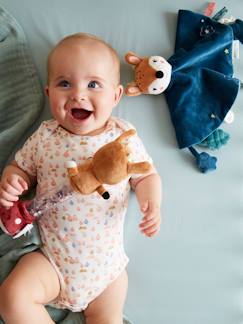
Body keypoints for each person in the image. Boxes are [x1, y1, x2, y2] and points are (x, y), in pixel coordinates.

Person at [0, 33, 162, 324]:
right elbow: (20, 167)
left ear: (115, 96)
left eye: (93, 84)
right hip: (53, 261)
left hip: (107, 272)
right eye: (64, 83)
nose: (78, 94)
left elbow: (146, 174)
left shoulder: (122, 136)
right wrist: (12, 180)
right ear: (48, 93)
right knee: (12, 296)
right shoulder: (45, 136)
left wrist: (153, 201)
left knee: (108, 317)